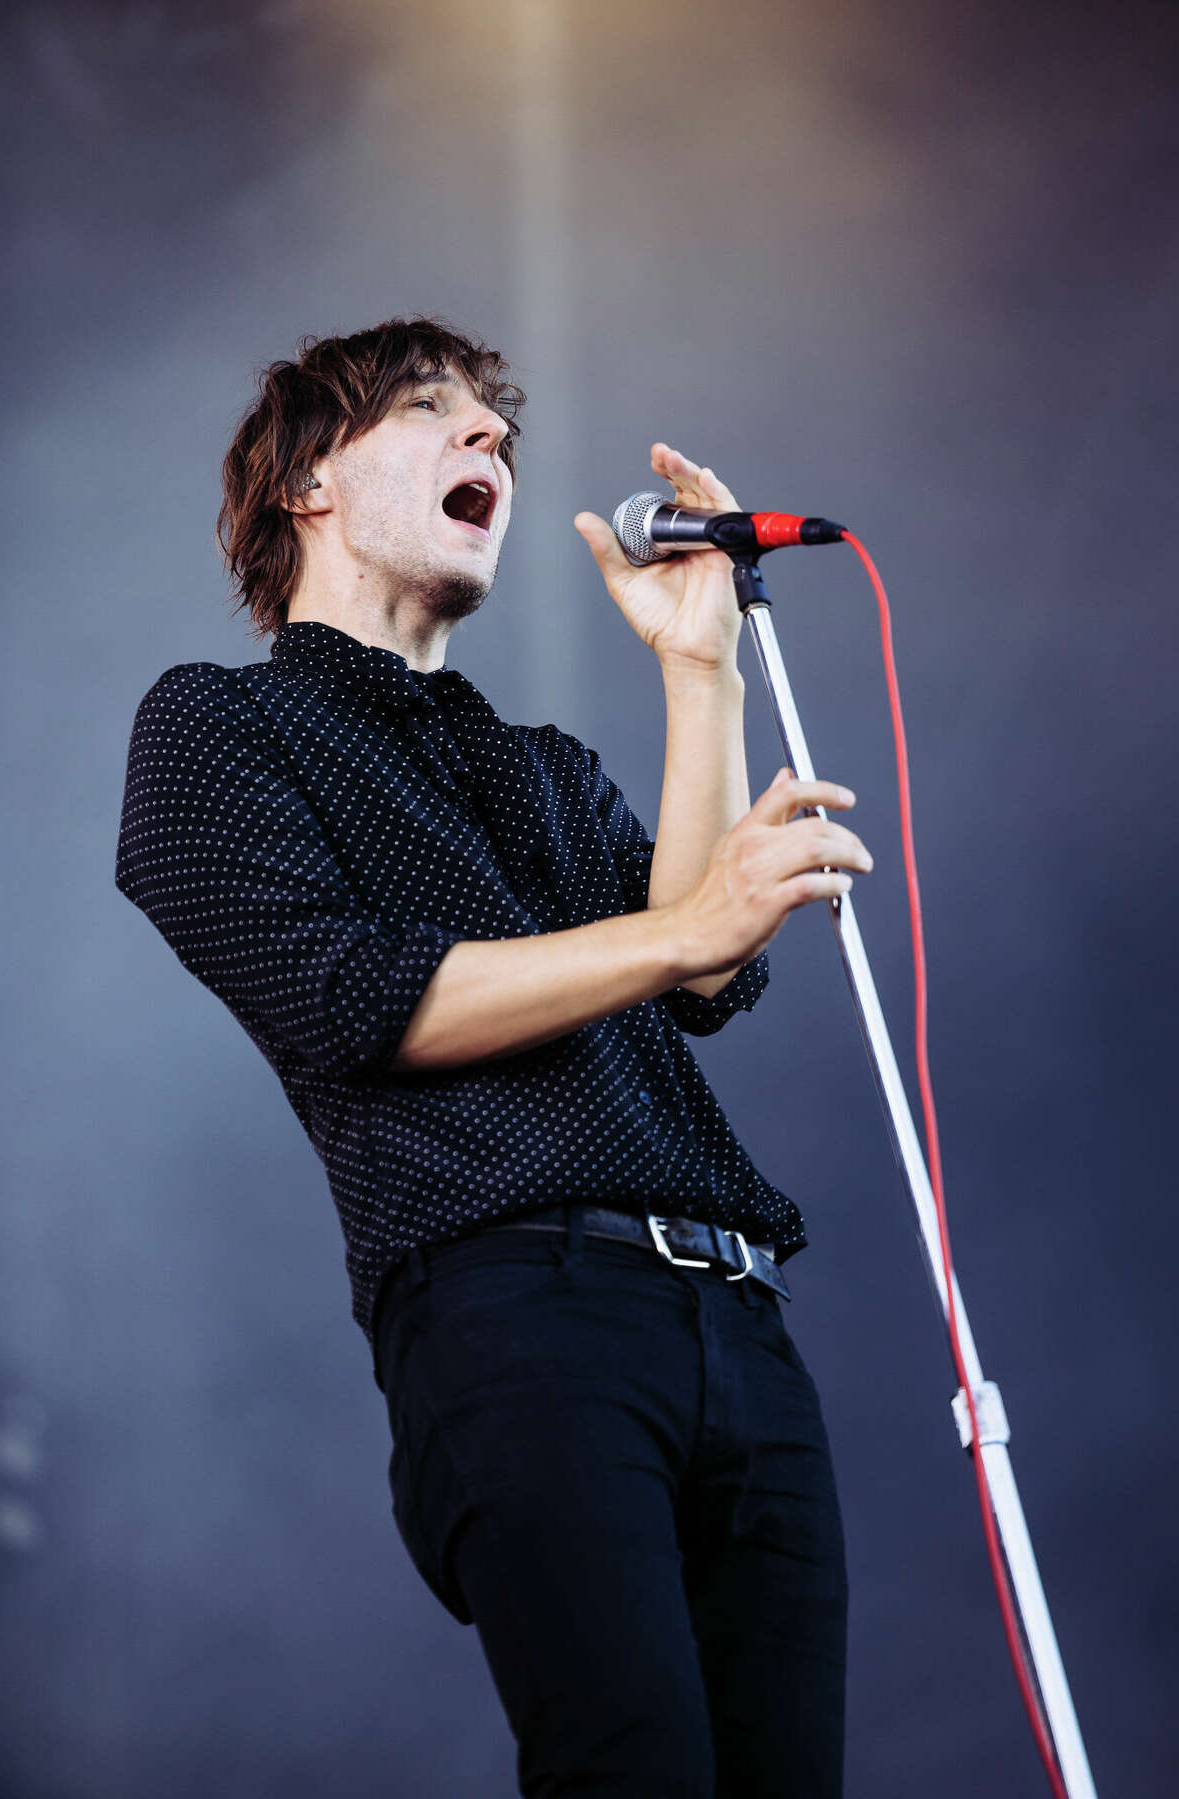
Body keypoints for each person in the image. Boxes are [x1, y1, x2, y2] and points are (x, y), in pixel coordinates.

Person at [114, 315, 873, 1797]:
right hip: (520, 1308)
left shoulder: (545, 767)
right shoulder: (218, 726)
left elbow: (703, 965)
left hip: (739, 1322)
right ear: (306, 486)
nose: (492, 443)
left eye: (502, 431)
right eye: (432, 411)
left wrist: (699, 671)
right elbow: (346, 997)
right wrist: (683, 930)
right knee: (632, 1767)